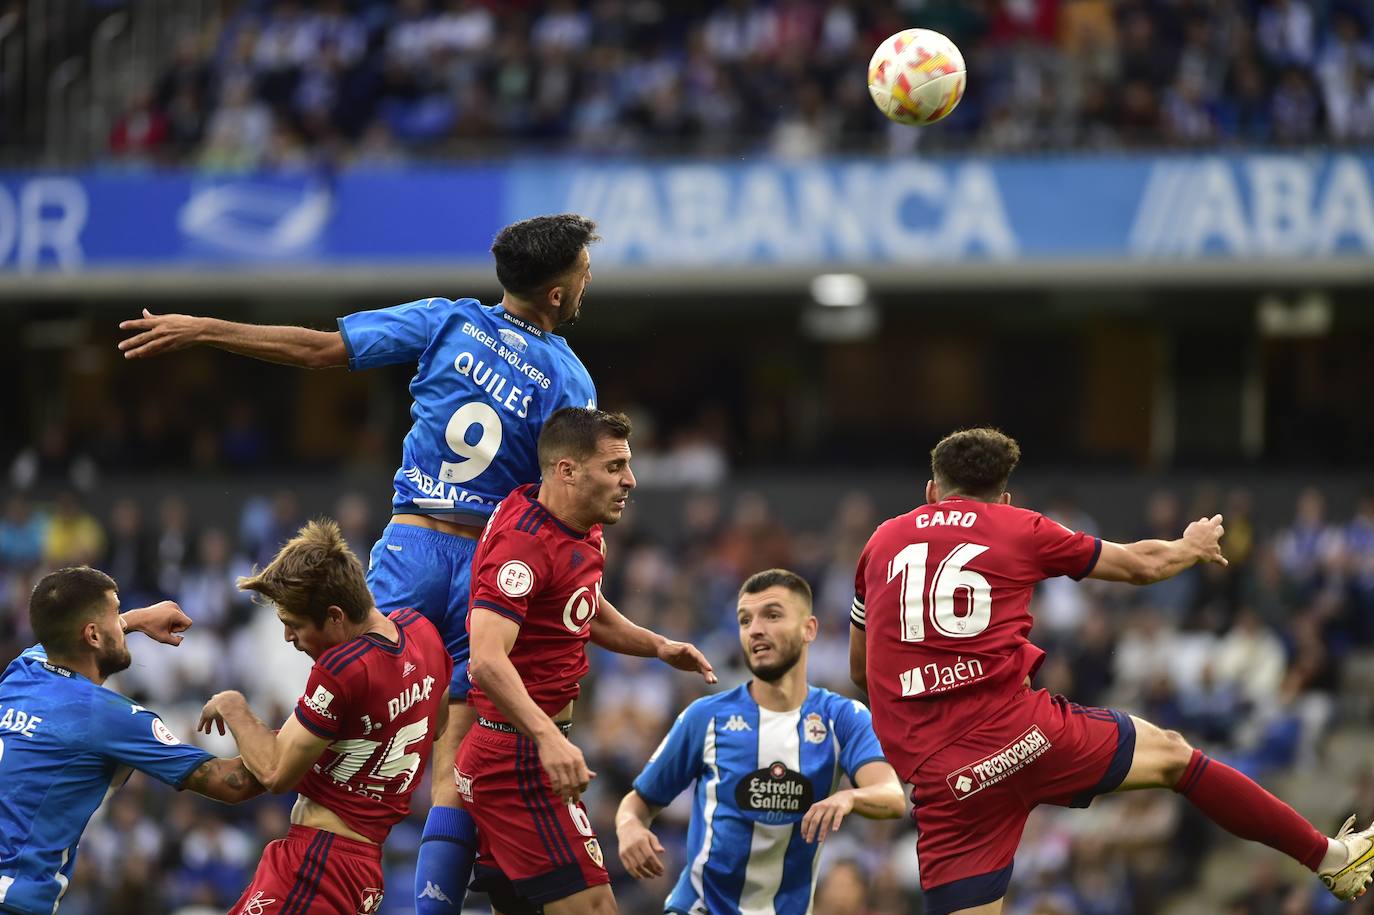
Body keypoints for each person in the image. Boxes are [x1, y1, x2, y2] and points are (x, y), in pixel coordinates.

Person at [119, 213, 600, 912]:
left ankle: (288, 828)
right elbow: (568, 491)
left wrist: (205, 328)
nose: (587, 283)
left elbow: (318, 350)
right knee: (450, 757)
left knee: (345, 708)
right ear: (556, 294)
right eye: (584, 274)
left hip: (408, 549)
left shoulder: (446, 320)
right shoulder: (570, 377)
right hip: (488, 566)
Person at [849, 427, 1374, 915]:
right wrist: (1190, 547)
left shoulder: (879, 544)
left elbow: (861, 671)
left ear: (930, 491)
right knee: (1173, 756)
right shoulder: (1020, 526)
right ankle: (1330, 857)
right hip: (1026, 739)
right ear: (1005, 497)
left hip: (949, 786)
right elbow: (1141, 564)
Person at [459, 407, 716, 915]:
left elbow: (580, 608)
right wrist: (549, 738)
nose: (631, 479)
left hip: (521, 751)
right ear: (567, 471)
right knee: (598, 906)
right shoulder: (524, 544)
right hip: (518, 762)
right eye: (615, 467)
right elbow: (486, 659)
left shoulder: (577, 524)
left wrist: (656, 645)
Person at [197, 518, 452, 915]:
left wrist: (233, 705)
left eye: (294, 625)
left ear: (335, 617)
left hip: (315, 867)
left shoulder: (342, 667)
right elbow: (439, 723)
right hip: (362, 870)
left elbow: (276, 772)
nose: (288, 638)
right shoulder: (422, 632)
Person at [615, 568, 905, 914]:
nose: (755, 629)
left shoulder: (841, 717)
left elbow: (892, 797)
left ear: (809, 628)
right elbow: (637, 803)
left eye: (772, 615)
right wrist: (630, 827)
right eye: (745, 619)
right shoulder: (705, 717)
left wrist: (848, 798)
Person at [0, 567, 263, 915]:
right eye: (115, 611)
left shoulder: (22, 671)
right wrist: (257, 716)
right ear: (92, 635)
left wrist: (135, 620)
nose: (121, 621)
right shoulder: (108, 717)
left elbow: (64, 634)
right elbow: (233, 783)